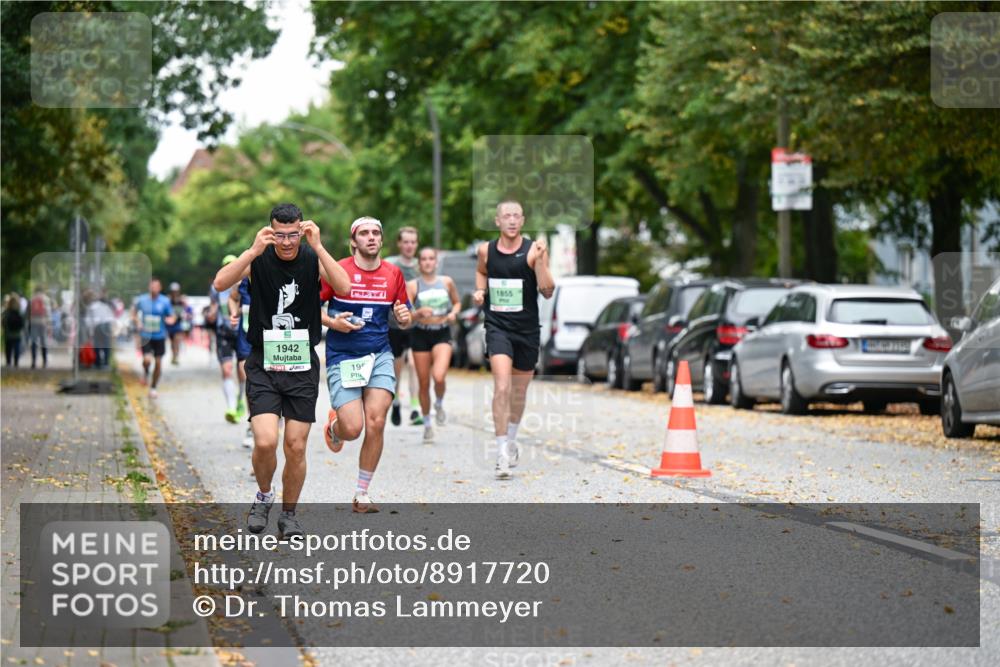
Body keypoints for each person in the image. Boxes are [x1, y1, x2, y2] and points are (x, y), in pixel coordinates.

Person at [213, 203, 350, 538]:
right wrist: (252, 251)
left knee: (295, 446)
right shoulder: (258, 256)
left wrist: (319, 245)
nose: (286, 242)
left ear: (301, 230)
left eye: (292, 235)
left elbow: (344, 287)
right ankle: (264, 496)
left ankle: (289, 515)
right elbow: (220, 283)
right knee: (265, 442)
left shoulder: (311, 256)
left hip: (301, 364)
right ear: (270, 232)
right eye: (280, 235)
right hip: (263, 362)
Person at [321, 217, 412, 513]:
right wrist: (332, 322)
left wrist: (404, 318)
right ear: (353, 241)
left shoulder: (393, 273)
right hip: (343, 355)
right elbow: (309, 307)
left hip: (379, 354)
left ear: (382, 240)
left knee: (377, 421)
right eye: (364, 233)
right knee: (353, 428)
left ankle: (362, 493)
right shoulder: (339, 270)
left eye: (376, 233)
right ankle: (335, 428)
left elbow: (404, 314)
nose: (371, 237)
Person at [473, 201, 554, 480]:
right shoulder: (486, 250)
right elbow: (481, 271)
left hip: (527, 330)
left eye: (516, 216)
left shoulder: (534, 250)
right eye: (506, 216)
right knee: (502, 386)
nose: (511, 220)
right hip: (497, 327)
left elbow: (547, 291)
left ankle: (511, 438)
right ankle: (501, 453)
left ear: (522, 220)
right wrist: (480, 291)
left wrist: (540, 261)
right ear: (497, 221)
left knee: (518, 392)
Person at [406, 247, 461, 443]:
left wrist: (453, 313)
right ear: (419, 263)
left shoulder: (446, 282)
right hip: (420, 334)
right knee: (423, 383)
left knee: (439, 376)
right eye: (424, 259)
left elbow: (457, 303)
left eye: (431, 259)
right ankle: (427, 424)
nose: (428, 262)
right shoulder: (413, 285)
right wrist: (418, 313)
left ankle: (438, 402)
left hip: (442, 333)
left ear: (436, 262)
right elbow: (406, 315)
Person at [385, 227, 422, 426]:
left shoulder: (421, 265)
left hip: (417, 324)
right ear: (399, 243)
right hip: (394, 325)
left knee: (414, 364)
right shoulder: (390, 264)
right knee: (397, 367)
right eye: (406, 242)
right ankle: (397, 401)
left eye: (413, 242)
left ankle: (415, 408)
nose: (409, 246)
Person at [208, 255, 246, 423]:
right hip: (223, 331)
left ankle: (240, 400)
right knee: (227, 370)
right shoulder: (216, 287)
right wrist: (211, 313)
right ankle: (231, 406)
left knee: (243, 372)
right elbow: (214, 305)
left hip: (242, 332)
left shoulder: (244, 284)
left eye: (233, 265)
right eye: (227, 266)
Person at [132, 278, 176, 397]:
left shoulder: (165, 301)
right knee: (147, 360)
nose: (154, 288)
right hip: (146, 336)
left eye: (156, 286)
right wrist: (137, 322)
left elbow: (172, 315)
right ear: (149, 287)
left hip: (159, 336)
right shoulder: (142, 300)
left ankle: (153, 387)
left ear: (160, 288)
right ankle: (146, 372)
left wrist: (170, 320)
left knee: (158, 363)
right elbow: (133, 313)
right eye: (152, 286)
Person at [229, 276, 254, 449]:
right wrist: (234, 313)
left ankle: (274, 417)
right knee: (249, 380)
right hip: (246, 338)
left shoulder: (275, 277)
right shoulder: (243, 283)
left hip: (269, 340)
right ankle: (252, 425)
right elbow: (232, 298)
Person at [84, 290, 115, 369]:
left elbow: (88, 320)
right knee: (106, 345)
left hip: (97, 326)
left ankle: (97, 363)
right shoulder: (106, 306)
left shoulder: (92, 306)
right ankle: (106, 363)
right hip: (106, 325)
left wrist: (90, 332)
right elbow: (111, 318)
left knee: (97, 345)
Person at [166, 282, 190, 366]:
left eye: (176, 291)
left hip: (178, 323)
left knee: (177, 340)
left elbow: (186, 310)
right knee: (172, 341)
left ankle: (176, 356)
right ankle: (173, 355)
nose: (175, 292)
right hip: (170, 324)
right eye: (173, 291)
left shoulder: (181, 300)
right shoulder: (168, 300)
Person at [28, 286, 51, 369]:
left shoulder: (32, 299)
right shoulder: (46, 299)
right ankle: (44, 361)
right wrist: (49, 324)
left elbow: (28, 312)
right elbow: (48, 312)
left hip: (33, 322)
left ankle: (33, 361)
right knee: (43, 342)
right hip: (43, 322)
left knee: (34, 341)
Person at [2, 294, 25, 367]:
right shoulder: (19, 311)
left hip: (8, 334)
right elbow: (22, 322)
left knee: (8, 348)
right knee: (16, 347)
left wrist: (5, 329)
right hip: (17, 333)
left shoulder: (7, 311)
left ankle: (8, 362)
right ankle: (16, 362)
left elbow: (4, 322)